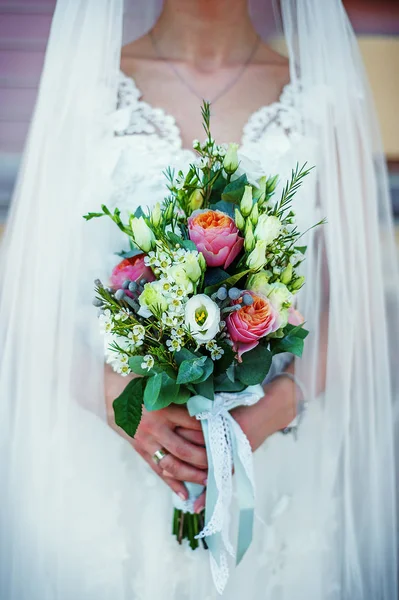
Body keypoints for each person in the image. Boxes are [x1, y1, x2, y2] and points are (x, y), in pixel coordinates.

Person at [0, 1, 398, 599]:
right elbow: (33, 294)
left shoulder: (322, 101)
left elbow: (358, 300)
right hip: (109, 463)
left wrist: (274, 411)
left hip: (276, 469)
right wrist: (119, 401)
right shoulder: (85, 90)